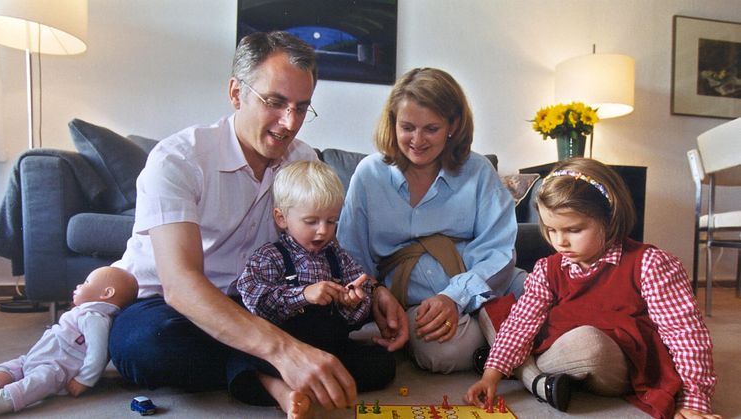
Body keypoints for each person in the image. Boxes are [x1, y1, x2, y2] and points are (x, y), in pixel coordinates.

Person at [105, 31, 408, 417]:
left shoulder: (302, 159)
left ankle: (267, 367)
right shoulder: (177, 161)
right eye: (275, 103)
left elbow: (324, 247)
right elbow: (180, 287)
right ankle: (269, 373)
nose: (289, 123)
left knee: (355, 346)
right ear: (236, 93)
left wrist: (374, 291)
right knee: (148, 345)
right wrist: (284, 350)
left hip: (264, 303)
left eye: (302, 108)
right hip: (174, 308)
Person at [465, 158, 720, 419]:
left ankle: (524, 370)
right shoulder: (547, 268)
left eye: (574, 230)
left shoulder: (651, 265)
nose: (560, 241)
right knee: (498, 312)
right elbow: (522, 322)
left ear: (609, 218)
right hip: (555, 344)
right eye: (551, 230)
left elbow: (685, 335)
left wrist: (693, 399)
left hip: (614, 359)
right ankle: (523, 371)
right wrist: (491, 375)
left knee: (587, 343)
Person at [336, 67, 526, 374]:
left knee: (547, 296)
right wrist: (374, 296)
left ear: (454, 125)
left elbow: (499, 250)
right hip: (417, 302)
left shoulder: (477, 170)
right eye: (407, 127)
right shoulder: (369, 174)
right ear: (392, 123)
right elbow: (350, 256)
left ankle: (507, 337)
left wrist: (455, 297)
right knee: (441, 353)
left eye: (431, 129)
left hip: (485, 283)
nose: (417, 140)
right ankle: (515, 342)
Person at [236, 160, 395, 417]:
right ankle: (283, 392)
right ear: (281, 218)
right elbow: (256, 299)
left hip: (327, 347)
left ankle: (313, 385)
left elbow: (358, 304)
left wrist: (353, 302)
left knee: (382, 365)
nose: (323, 231)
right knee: (242, 360)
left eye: (331, 221)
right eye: (311, 221)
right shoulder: (270, 256)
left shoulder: (338, 256)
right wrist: (303, 295)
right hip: (282, 348)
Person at [0, 267, 138, 415]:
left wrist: (85, 380)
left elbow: (98, 353)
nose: (79, 285)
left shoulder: (95, 318)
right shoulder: (83, 312)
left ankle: (1, 401)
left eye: (86, 282)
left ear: (106, 293)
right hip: (38, 357)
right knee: (13, 366)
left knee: (37, 383)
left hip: (56, 367)